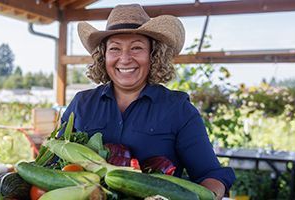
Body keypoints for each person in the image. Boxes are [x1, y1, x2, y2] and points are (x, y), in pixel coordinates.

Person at [61, 4, 235, 199]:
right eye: (115, 48)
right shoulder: (82, 104)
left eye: (136, 48)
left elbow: (210, 174)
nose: (125, 59)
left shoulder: (178, 109)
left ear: (153, 55)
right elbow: (53, 165)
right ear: (103, 56)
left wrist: (210, 195)